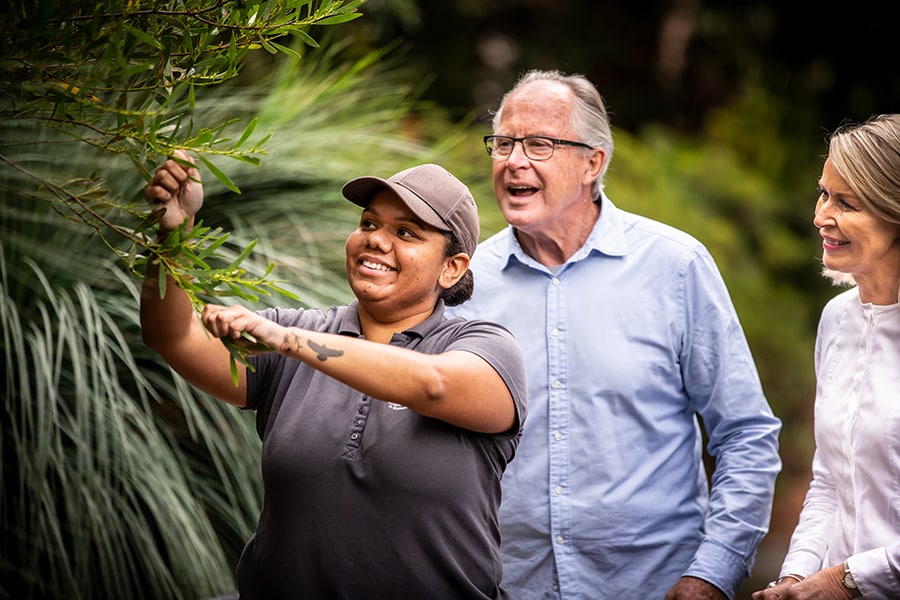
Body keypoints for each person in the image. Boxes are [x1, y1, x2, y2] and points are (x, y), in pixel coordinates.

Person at [446, 68, 783, 599]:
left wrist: (712, 573)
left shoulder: (675, 266)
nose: (513, 161)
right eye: (504, 142)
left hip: (656, 588)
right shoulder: (468, 283)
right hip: (508, 586)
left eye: (538, 144)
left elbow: (745, 434)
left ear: (592, 162)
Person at [140, 152, 528, 599]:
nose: (376, 241)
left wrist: (289, 342)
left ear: (452, 268)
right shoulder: (296, 331)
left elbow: (433, 384)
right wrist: (171, 237)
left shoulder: (485, 347)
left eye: (405, 232)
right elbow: (174, 336)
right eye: (368, 224)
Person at [752, 114, 900, 600]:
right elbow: (830, 483)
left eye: (847, 202)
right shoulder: (837, 319)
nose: (820, 216)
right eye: (823, 193)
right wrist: (794, 578)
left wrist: (847, 580)